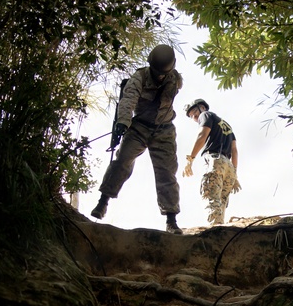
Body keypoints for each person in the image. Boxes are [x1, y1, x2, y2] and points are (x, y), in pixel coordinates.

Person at [90, 46, 183, 232]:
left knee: (167, 173)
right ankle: (103, 201)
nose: (161, 76)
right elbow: (128, 99)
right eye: (158, 72)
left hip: (164, 130)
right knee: (122, 161)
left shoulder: (175, 80)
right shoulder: (139, 78)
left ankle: (171, 220)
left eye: (164, 73)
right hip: (139, 126)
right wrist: (123, 123)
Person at [183, 98, 241, 226]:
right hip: (229, 166)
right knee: (221, 201)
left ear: (202, 108)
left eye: (194, 112)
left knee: (210, 193)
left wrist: (190, 159)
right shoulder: (227, 125)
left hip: (216, 159)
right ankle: (222, 228)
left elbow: (202, 136)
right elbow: (234, 151)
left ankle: (215, 229)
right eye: (191, 116)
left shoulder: (206, 115)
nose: (194, 116)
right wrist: (234, 175)